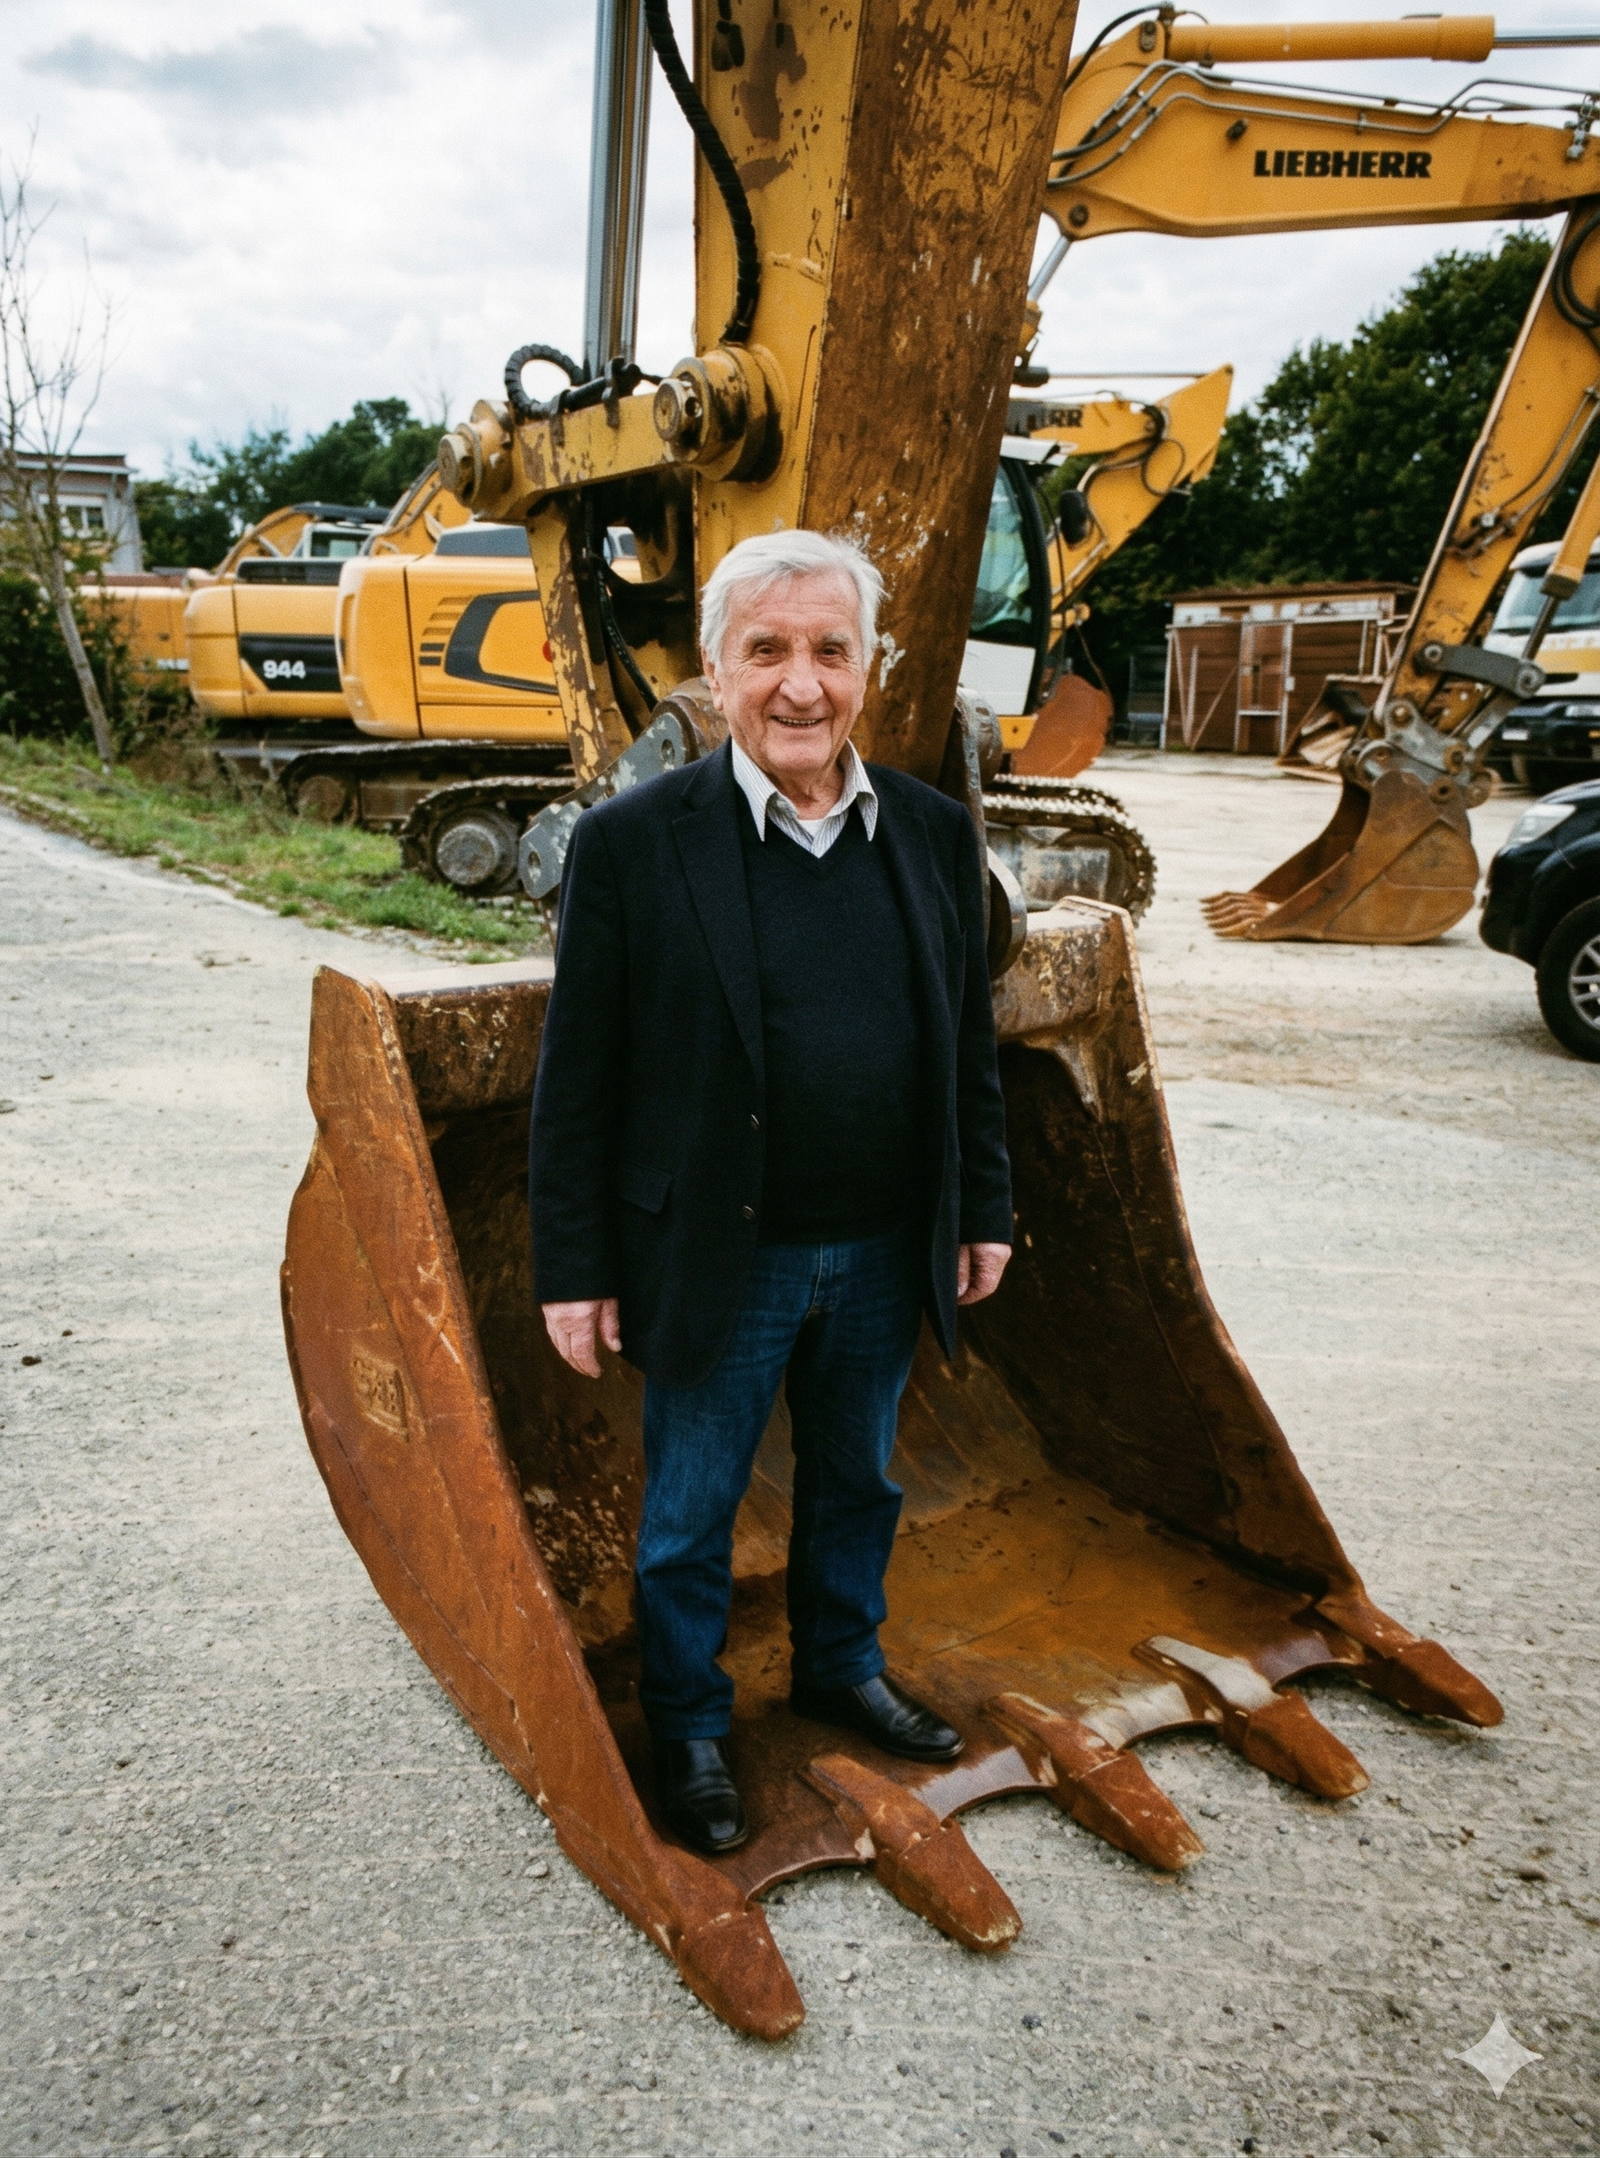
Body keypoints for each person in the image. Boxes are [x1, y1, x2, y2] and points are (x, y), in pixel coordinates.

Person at [530, 528, 1012, 1855]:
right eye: (769, 651)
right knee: (692, 1508)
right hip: (715, 1255)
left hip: (877, 1247)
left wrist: (983, 1208)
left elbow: (965, 1045)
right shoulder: (632, 845)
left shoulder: (927, 832)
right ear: (715, 667)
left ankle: (837, 1665)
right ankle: (687, 1720)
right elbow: (580, 1079)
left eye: (830, 650)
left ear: (869, 666)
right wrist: (571, 1264)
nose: (802, 684)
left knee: (859, 1476)